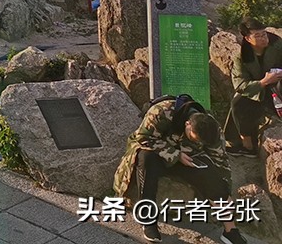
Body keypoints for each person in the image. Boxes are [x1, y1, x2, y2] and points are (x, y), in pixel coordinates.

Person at [113, 94, 245, 244]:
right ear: (187, 124)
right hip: (157, 154)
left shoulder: (212, 129)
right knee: (145, 158)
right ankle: (147, 218)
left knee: (211, 176)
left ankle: (230, 231)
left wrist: (224, 189)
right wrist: (175, 154)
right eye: (192, 137)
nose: (195, 141)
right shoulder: (162, 111)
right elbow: (143, 137)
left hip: (188, 159)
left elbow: (220, 160)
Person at [224, 17, 282, 157]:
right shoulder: (241, 56)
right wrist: (263, 82)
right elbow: (240, 85)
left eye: (264, 34)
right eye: (258, 36)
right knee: (238, 102)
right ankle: (247, 146)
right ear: (248, 38)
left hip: (278, 87)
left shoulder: (277, 45)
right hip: (259, 90)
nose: (263, 38)